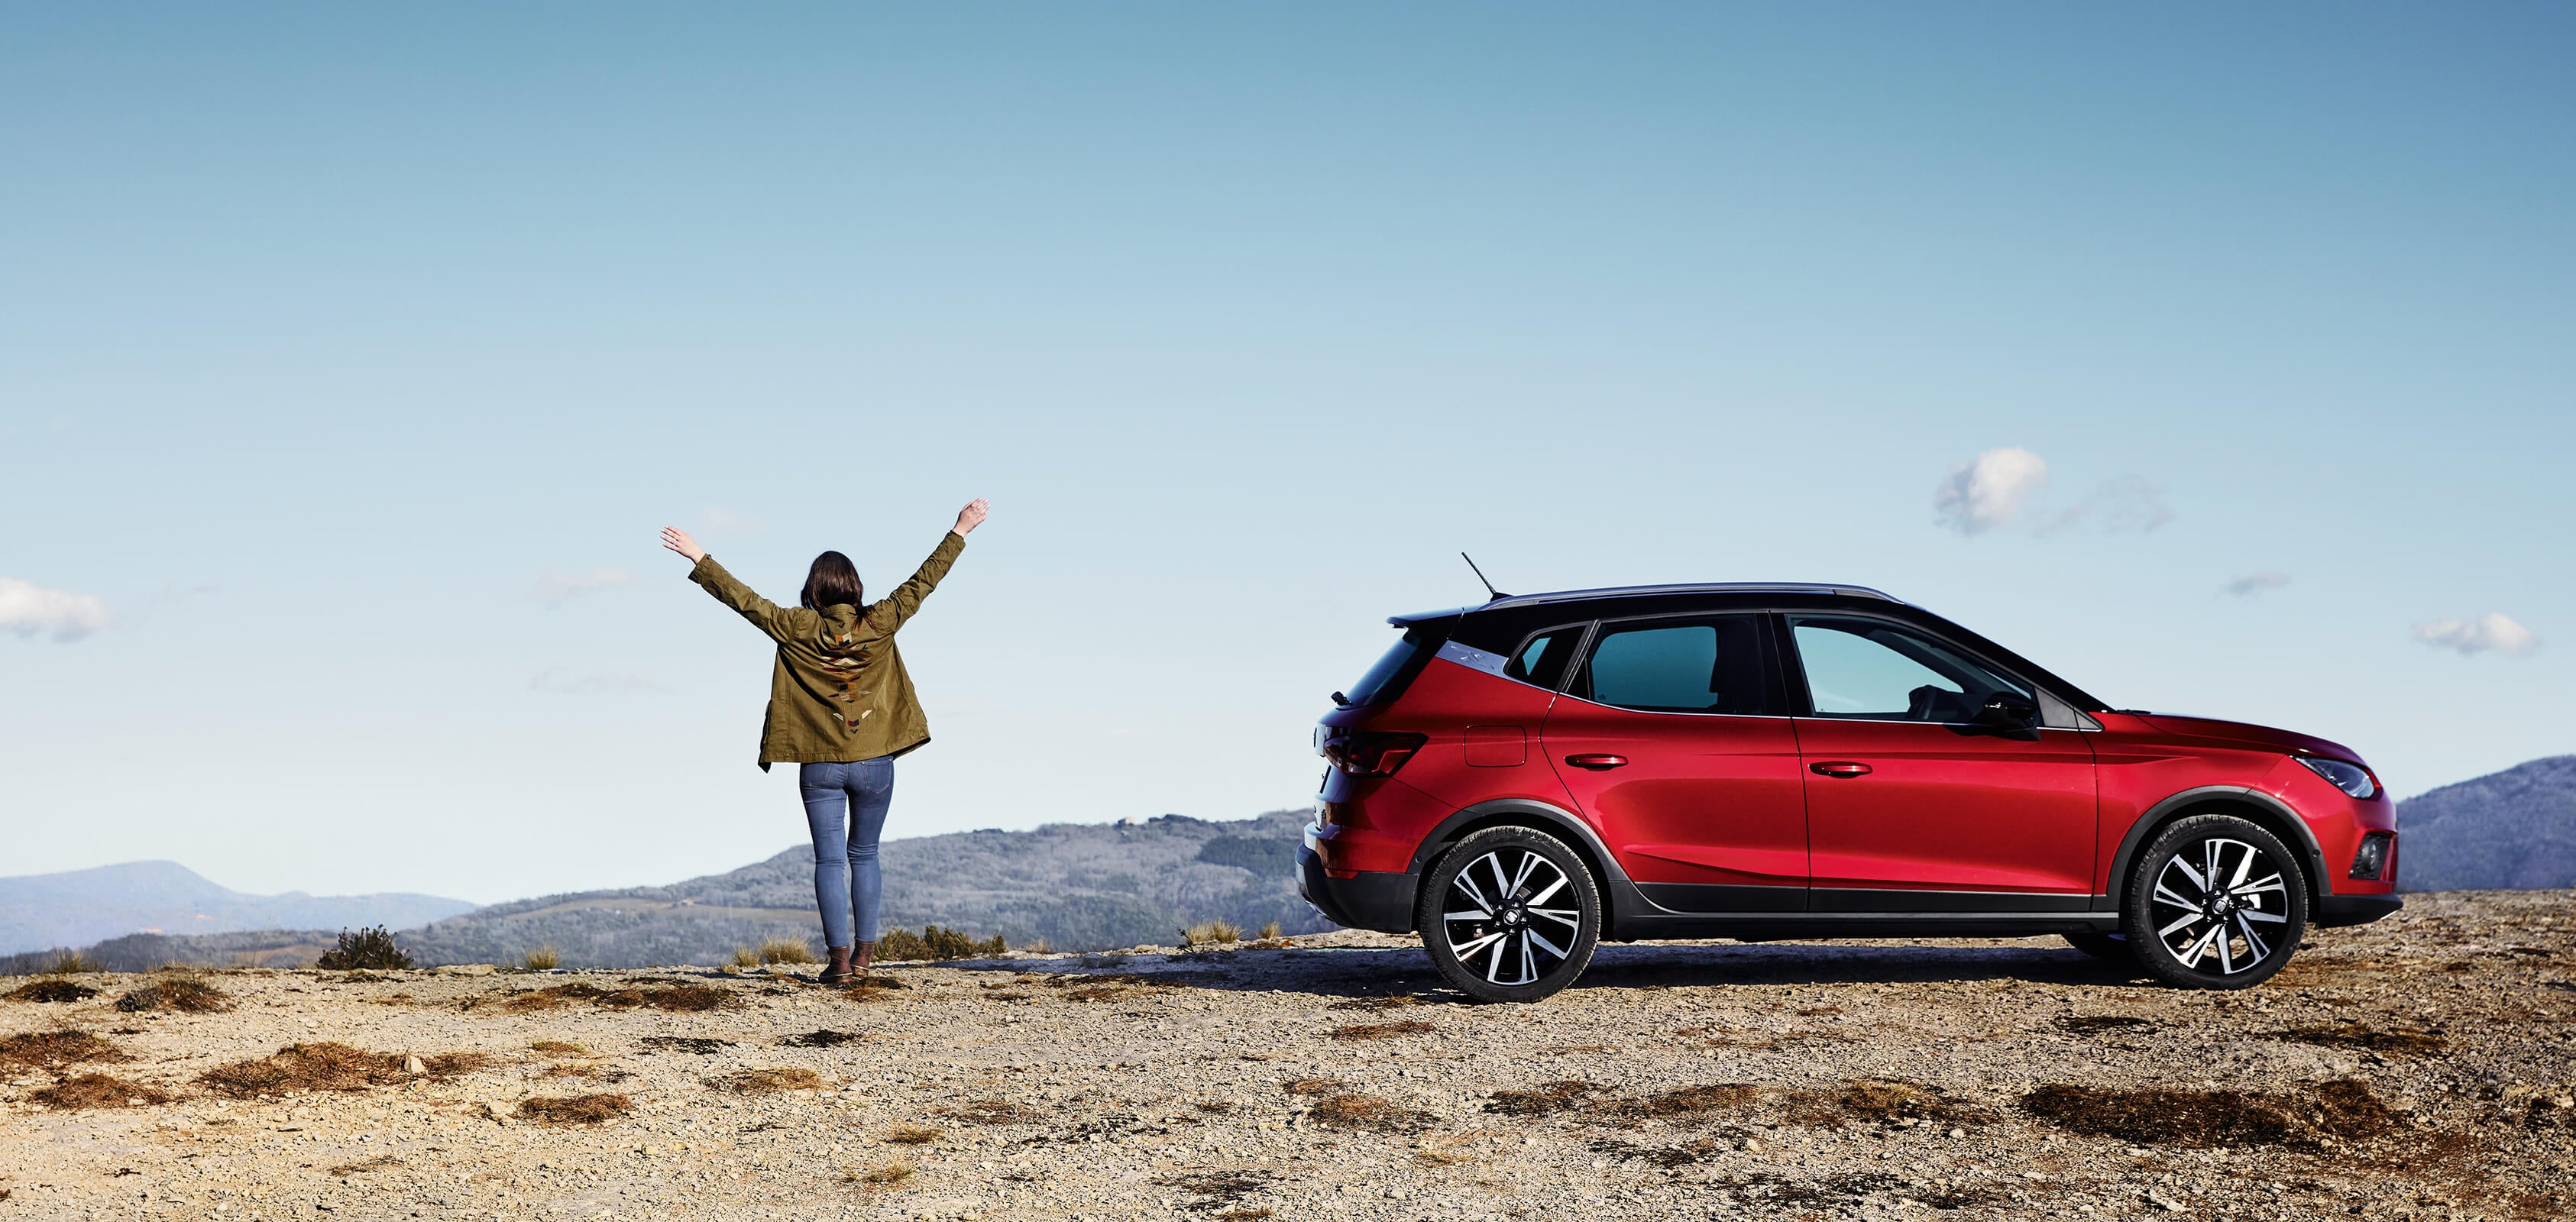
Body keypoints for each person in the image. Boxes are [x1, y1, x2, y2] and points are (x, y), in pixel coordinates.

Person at [660, 499, 989, 982]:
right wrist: (961, 529)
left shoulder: (796, 627)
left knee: (830, 858)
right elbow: (925, 581)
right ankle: (864, 959)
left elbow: (743, 599)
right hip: (875, 761)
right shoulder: (881, 622)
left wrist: (699, 557)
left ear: (813, 590)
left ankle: (837, 963)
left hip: (819, 764)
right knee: (866, 854)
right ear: (854, 589)